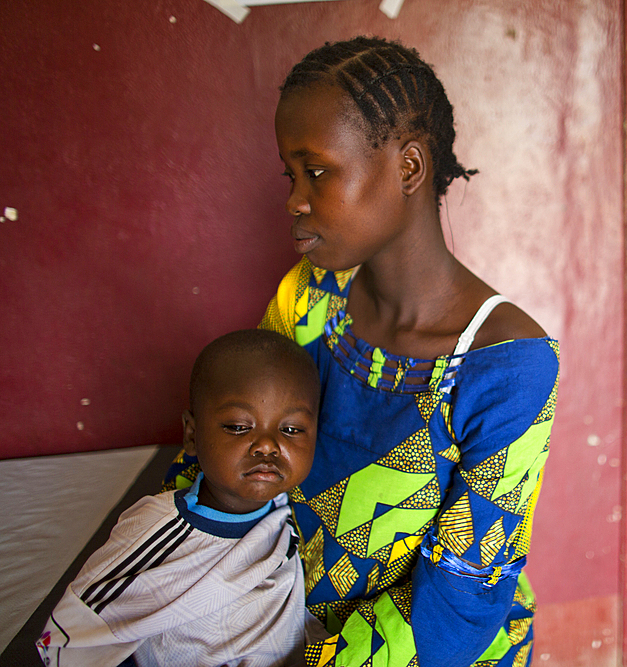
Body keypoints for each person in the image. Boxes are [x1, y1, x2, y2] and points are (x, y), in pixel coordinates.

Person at [164, 37, 559, 667]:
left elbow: (462, 600)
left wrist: (301, 660)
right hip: (280, 618)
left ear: (408, 168)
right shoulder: (309, 300)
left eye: (316, 172)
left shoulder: (507, 366)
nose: (295, 200)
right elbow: (225, 453)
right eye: (290, 175)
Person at [38, 329, 323, 667]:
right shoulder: (156, 532)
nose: (267, 445)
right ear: (191, 434)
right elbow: (70, 638)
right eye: (237, 426)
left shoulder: (292, 514)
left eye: (291, 429)